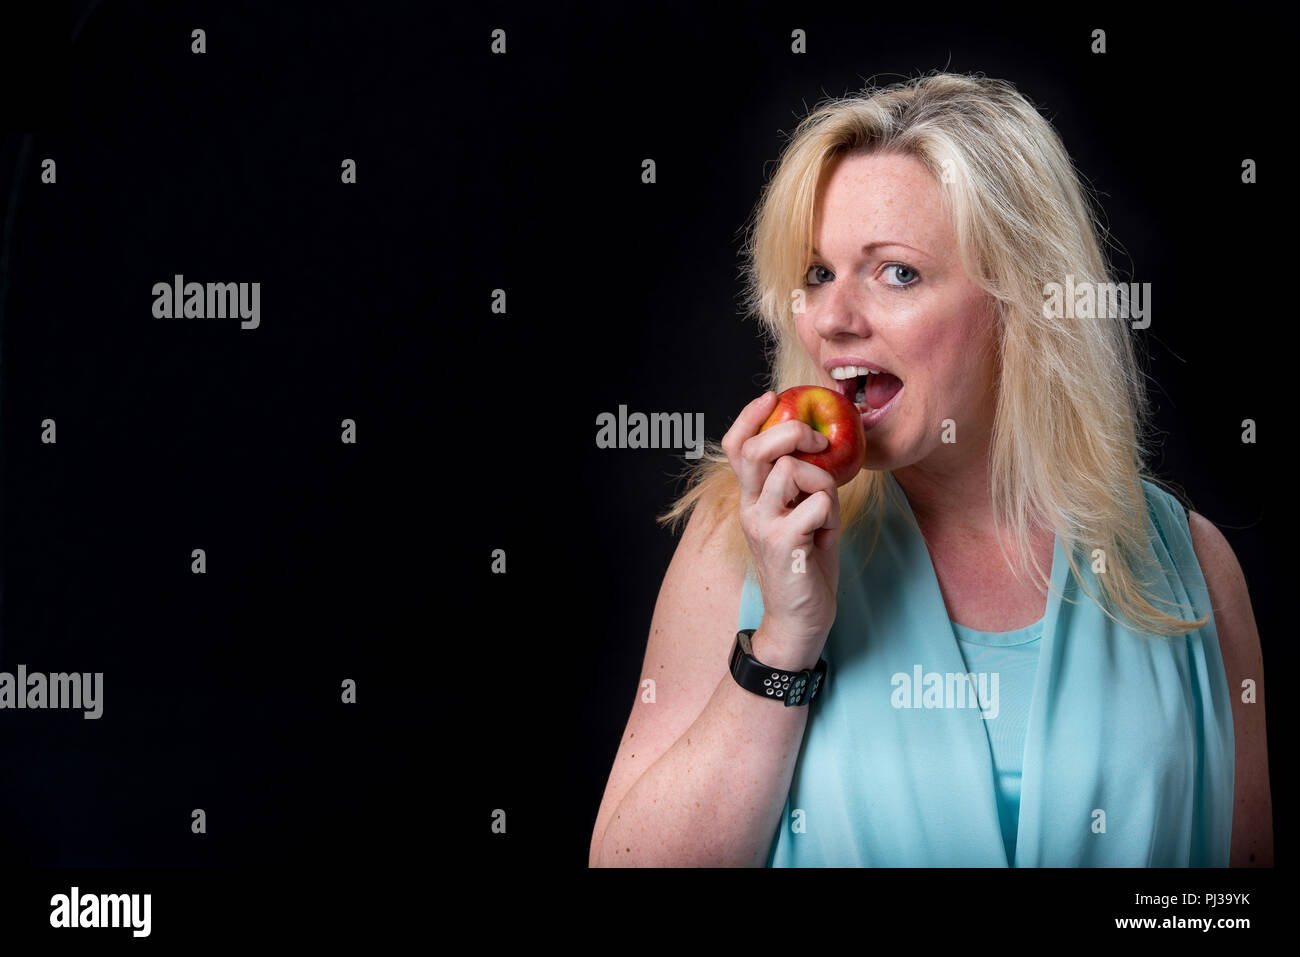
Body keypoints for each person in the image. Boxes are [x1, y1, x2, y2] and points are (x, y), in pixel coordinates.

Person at [588, 72, 1273, 867]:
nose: (834, 318)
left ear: (1020, 304)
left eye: (897, 272)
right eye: (817, 273)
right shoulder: (740, 539)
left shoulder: (1191, 567)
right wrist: (782, 640)